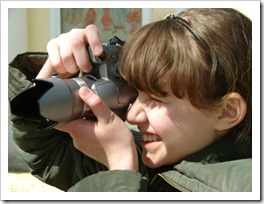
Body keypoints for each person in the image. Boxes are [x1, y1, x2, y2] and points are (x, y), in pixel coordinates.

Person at [8, 8, 252, 192]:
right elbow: (51, 157)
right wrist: (51, 74)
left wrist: (121, 167)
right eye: (136, 93)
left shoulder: (244, 187)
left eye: (156, 99)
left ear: (226, 112)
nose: (132, 116)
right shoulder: (168, 154)